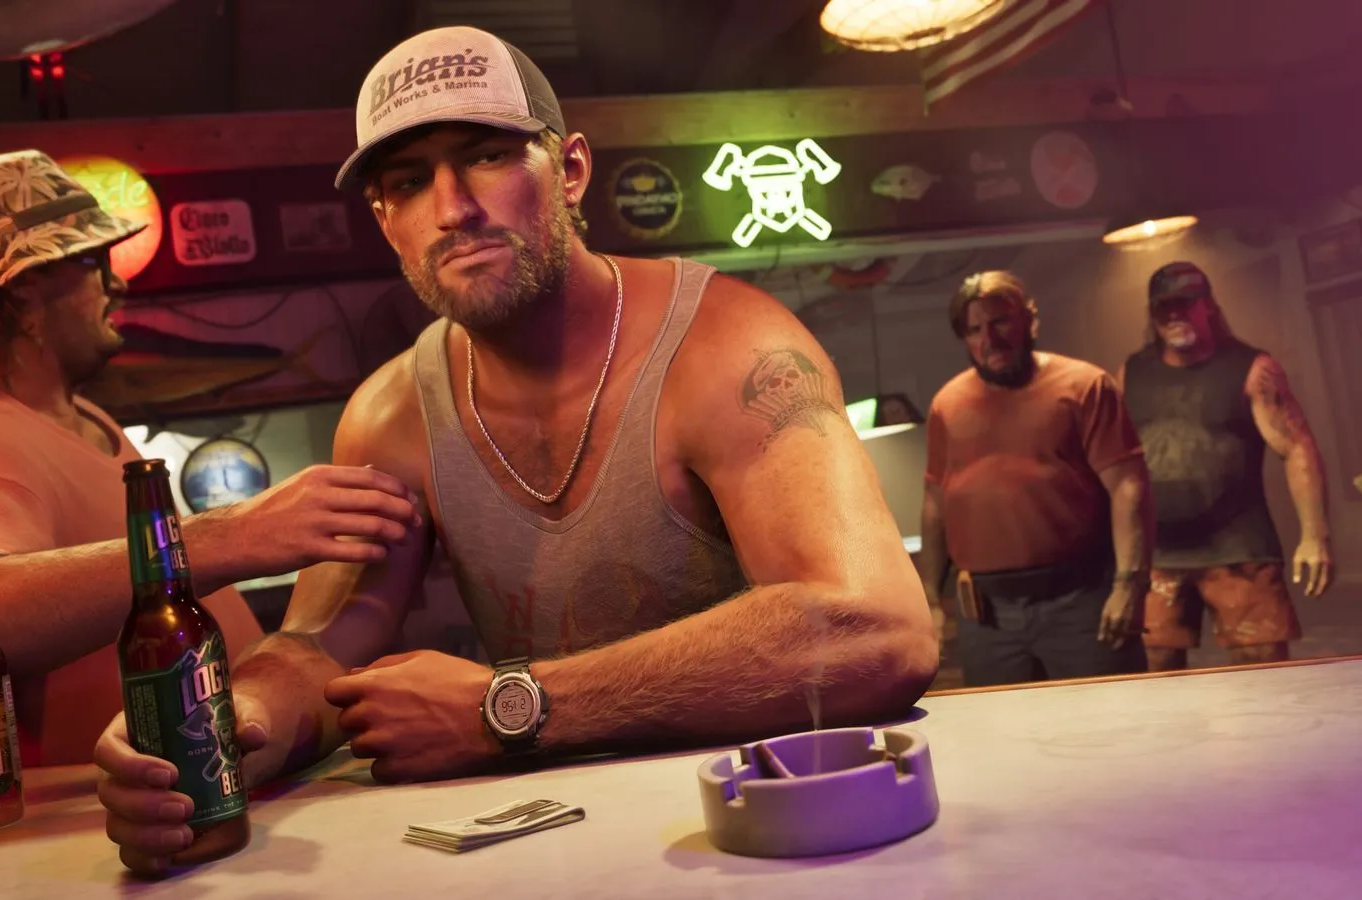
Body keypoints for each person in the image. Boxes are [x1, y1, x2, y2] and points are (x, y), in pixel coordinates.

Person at [95, 25, 936, 873]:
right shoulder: (389, 417)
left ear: (568, 170)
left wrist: (508, 706)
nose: (453, 207)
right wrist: (225, 730)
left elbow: (878, 629)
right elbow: (320, 645)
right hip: (562, 851)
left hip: (771, 834)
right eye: (408, 181)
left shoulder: (729, 349)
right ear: (386, 219)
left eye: (487, 156)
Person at [0, 150, 420, 767]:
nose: (117, 282)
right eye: (94, 262)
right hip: (105, 828)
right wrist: (231, 535)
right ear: (24, 287)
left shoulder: (76, 418)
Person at [918, 271, 1152, 688]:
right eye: (974, 330)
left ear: (1030, 320)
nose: (989, 338)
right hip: (986, 615)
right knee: (1004, 735)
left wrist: (1129, 586)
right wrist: (931, 600)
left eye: (1000, 322)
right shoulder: (947, 404)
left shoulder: (1084, 386)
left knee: (1114, 726)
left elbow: (1128, 486)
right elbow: (936, 502)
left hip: (1082, 602)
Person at [1120, 261, 1334, 671]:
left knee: (1262, 675)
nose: (1174, 314)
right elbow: (1111, 464)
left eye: (1185, 304)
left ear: (1208, 305)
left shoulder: (1253, 368)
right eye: (1164, 307)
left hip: (1239, 548)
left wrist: (1314, 536)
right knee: (1152, 680)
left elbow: (1297, 448)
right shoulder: (1131, 373)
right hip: (1158, 553)